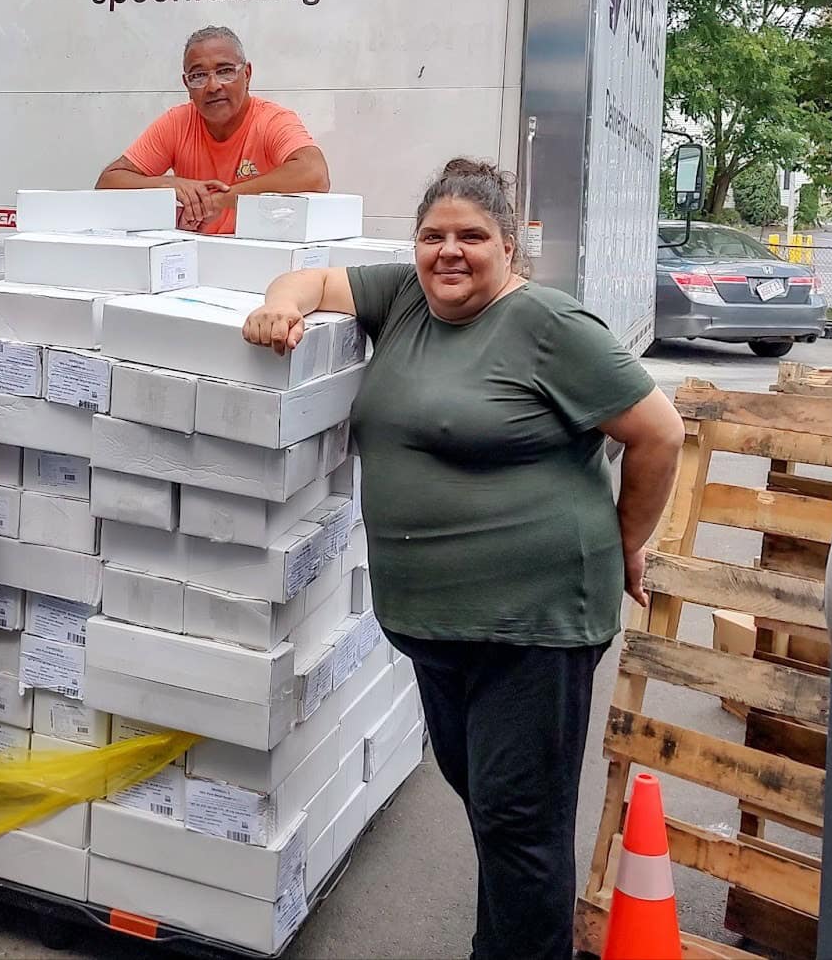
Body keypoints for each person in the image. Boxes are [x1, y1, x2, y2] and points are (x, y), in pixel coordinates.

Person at [242, 158, 684, 959]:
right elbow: (313, 281)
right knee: (489, 803)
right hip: (437, 625)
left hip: (533, 625)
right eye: (433, 235)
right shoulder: (405, 298)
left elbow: (659, 432)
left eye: (472, 236)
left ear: (508, 247)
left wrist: (628, 540)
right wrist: (279, 303)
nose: (449, 250)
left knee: (520, 823)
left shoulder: (549, 326)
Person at [95, 25, 331, 234]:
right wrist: (169, 184)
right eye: (198, 76)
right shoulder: (177, 122)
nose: (213, 86)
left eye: (225, 71)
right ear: (187, 85)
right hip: (193, 252)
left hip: (261, 252)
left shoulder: (272, 120)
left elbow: (314, 174)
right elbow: (108, 182)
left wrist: (221, 199)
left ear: (247, 74)